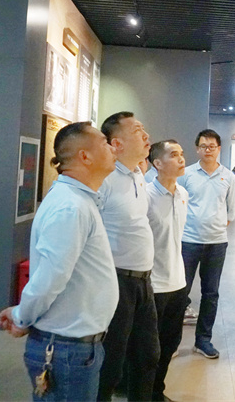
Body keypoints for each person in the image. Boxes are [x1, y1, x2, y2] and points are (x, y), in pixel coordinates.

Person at [0, 122, 119, 401]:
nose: (112, 148)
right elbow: (49, 279)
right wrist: (22, 316)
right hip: (65, 350)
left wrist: (22, 314)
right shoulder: (70, 207)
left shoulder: (79, 201)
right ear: (85, 156)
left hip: (74, 347)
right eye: (104, 143)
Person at [96, 112, 158, 402]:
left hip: (144, 281)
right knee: (111, 360)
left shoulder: (138, 175)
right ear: (117, 143)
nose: (146, 136)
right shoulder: (105, 180)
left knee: (148, 356)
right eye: (137, 130)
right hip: (116, 280)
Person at [178, 129, 235, 359]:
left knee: (210, 293)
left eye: (212, 146)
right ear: (197, 149)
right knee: (180, 293)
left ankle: (203, 340)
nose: (208, 150)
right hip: (189, 241)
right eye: (203, 146)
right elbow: (177, 203)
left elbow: (231, 211)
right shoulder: (186, 174)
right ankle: (172, 342)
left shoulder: (228, 177)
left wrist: (215, 227)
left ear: (219, 149)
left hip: (216, 244)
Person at [146, 140, 189, 402]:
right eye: (174, 155)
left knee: (171, 342)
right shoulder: (146, 196)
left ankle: (157, 390)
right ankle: (144, 393)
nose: (181, 159)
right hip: (153, 284)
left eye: (182, 154)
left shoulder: (183, 194)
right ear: (158, 163)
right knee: (149, 348)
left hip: (178, 282)